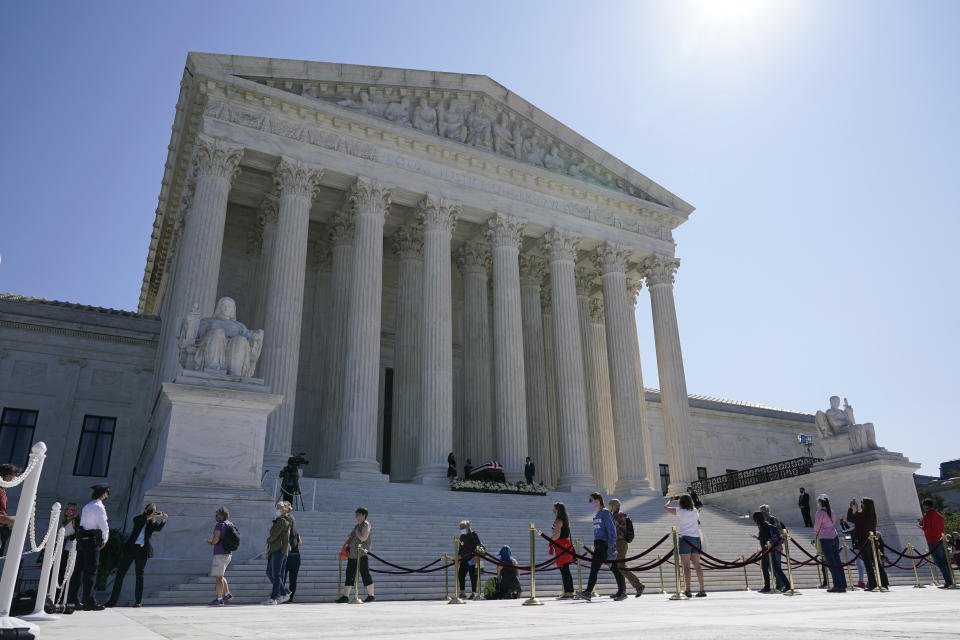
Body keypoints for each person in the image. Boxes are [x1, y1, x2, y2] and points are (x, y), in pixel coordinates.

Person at [105, 502, 168, 607]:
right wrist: (148, 517)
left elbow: (158, 529)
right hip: (130, 549)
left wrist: (163, 520)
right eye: (150, 509)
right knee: (120, 574)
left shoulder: (152, 522)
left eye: (154, 510)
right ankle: (113, 601)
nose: (152, 512)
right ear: (145, 509)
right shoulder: (138, 518)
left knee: (140, 576)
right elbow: (138, 523)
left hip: (143, 551)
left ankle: (138, 601)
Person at [579, 492, 625, 601]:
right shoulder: (596, 515)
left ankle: (622, 592)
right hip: (598, 545)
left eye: (591, 500)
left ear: (598, 500)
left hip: (606, 544)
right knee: (594, 569)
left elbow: (612, 530)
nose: (590, 503)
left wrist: (611, 545)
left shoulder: (605, 512)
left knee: (614, 568)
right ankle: (588, 592)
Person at [77, 483, 110, 611]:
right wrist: (105, 539)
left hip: (83, 540)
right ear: (103, 494)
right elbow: (103, 525)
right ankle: (89, 601)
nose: (107, 495)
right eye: (107, 492)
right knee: (91, 571)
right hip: (92, 540)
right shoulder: (99, 507)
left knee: (80, 570)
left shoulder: (87, 506)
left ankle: (77, 599)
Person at [665, 494, 706, 597]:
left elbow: (666, 508)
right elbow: (693, 506)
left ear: (681, 502)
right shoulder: (695, 511)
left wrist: (671, 500)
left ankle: (688, 590)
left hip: (685, 538)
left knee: (686, 565)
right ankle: (702, 590)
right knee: (697, 565)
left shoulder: (680, 511)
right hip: (696, 538)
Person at [847, 497, 888, 591]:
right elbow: (860, 516)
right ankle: (884, 583)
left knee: (868, 564)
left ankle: (872, 584)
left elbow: (850, 518)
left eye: (862, 502)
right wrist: (857, 508)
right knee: (877, 562)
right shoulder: (872, 514)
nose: (861, 504)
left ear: (865, 505)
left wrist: (851, 508)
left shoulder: (862, 514)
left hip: (864, 541)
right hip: (873, 541)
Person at [337, 506, 375, 603]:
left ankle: (371, 595)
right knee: (349, 574)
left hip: (361, 554)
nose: (356, 516)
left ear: (364, 515)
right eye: (356, 515)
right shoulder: (357, 525)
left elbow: (363, 538)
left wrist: (356, 531)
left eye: (358, 514)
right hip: (353, 554)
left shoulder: (366, 525)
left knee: (365, 573)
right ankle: (345, 595)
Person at [608, 499, 645, 597]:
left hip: (620, 542)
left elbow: (619, 530)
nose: (609, 506)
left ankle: (638, 586)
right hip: (618, 543)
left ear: (615, 505)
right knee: (618, 567)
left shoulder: (618, 515)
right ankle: (621, 591)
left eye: (610, 504)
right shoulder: (614, 515)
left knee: (621, 566)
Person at [813, 494, 846, 593]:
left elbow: (816, 527)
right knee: (837, 561)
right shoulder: (831, 511)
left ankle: (837, 585)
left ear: (820, 502)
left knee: (831, 562)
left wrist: (816, 534)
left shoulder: (820, 513)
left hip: (825, 538)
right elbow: (833, 523)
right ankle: (843, 584)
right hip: (834, 536)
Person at [919, 498, 954, 588]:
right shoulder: (939, 515)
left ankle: (948, 581)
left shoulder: (927, 515)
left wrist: (920, 527)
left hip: (932, 541)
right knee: (945, 562)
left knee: (939, 562)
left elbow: (926, 528)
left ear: (926, 506)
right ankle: (950, 580)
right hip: (940, 540)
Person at [263, 501, 293, 605]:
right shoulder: (281, 520)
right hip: (276, 549)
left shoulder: (282, 521)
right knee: (271, 573)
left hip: (279, 549)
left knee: (275, 574)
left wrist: (268, 541)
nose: (276, 510)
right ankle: (284, 591)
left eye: (278, 508)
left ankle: (274, 598)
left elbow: (275, 534)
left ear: (284, 510)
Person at [752, 511, 787, 592]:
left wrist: (759, 538)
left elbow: (765, 538)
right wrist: (758, 538)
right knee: (765, 567)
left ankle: (787, 585)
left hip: (769, 550)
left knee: (776, 569)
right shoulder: (764, 525)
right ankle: (767, 587)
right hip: (766, 550)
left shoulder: (764, 526)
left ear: (756, 519)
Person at [206, 506, 234, 605]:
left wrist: (211, 542)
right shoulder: (230, 524)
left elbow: (216, 540)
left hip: (220, 554)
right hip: (228, 554)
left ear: (221, 515)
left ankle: (219, 599)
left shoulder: (220, 525)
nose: (215, 516)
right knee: (221, 576)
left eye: (217, 514)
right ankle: (227, 594)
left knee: (218, 578)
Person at [549, 502, 575, 599]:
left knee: (564, 570)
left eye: (554, 507)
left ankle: (568, 592)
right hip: (566, 546)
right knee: (566, 570)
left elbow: (557, 536)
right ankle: (570, 591)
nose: (552, 509)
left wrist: (550, 538)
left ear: (557, 509)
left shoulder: (558, 521)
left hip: (561, 547)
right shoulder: (565, 520)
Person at [457, 520, 483, 599]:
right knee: (461, 574)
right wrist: (458, 556)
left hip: (472, 559)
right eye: (460, 528)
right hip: (464, 559)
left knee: (473, 576)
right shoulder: (462, 536)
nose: (461, 529)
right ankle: (462, 592)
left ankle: (473, 593)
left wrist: (476, 556)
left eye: (463, 527)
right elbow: (460, 548)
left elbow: (479, 545)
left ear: (468, 527)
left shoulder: (473, 534)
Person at [0, 464, 22, 556]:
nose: (15, 479)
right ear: (6, 476)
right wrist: (10, 520)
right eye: (14, 475)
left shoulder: (2, 492)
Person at [283, 513, 303, 602]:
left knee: (282, 577)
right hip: (295, 556)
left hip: (285, 556)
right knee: (293, 579)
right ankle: (290, 597)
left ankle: (283, 594)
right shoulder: (295, 531)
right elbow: (300, 543)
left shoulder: (284, 530)